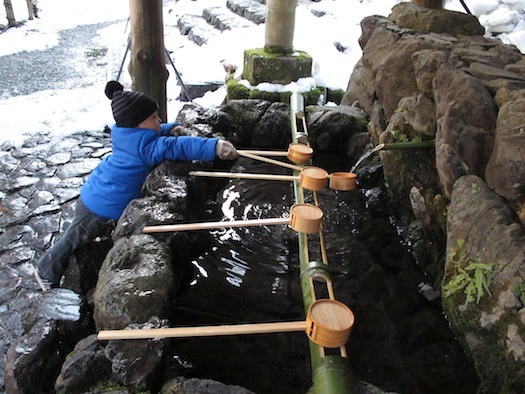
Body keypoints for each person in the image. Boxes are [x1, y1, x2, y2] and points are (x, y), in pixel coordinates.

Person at [34, 80, 237, 291]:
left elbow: (156, 133)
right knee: (73, 239)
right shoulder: (145, 147)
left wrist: (170, 128)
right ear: (138, 123)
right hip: (99, 204)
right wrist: (214, 147)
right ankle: (45, 271)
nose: (159, 120)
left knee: (77, 233)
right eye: (154, 117)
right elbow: (177, 147)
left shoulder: (127, 134)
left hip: (98, 194)